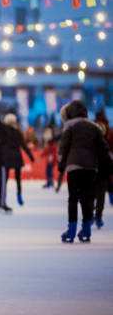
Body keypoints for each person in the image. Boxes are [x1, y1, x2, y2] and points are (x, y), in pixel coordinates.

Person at [59, 100, 111, 243]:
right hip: (90, 168)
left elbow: (64, 147)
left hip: (74, 166)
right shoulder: (94, 127)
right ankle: (87, 229)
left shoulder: (69, 126)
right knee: (87, 198)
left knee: (73, 198)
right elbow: (103, 147)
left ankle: (71, 230)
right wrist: (107, 164)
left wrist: (61, 164)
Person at [2, 114, 35, 208]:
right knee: (18, 178)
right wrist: (31, 156)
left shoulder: (4, 132)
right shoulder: (17, 132)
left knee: (5, 179)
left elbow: (0, 143)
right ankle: (19, 194)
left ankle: (3, 197)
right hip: (16, 156)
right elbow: (23, 145)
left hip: (7, 157)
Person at [93, 111, 113, 229]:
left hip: (93, 165)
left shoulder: (92, 127)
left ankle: (89, 216)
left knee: (91, 194)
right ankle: (99, 217)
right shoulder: (109, 131)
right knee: (101, 193)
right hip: (105, 165)